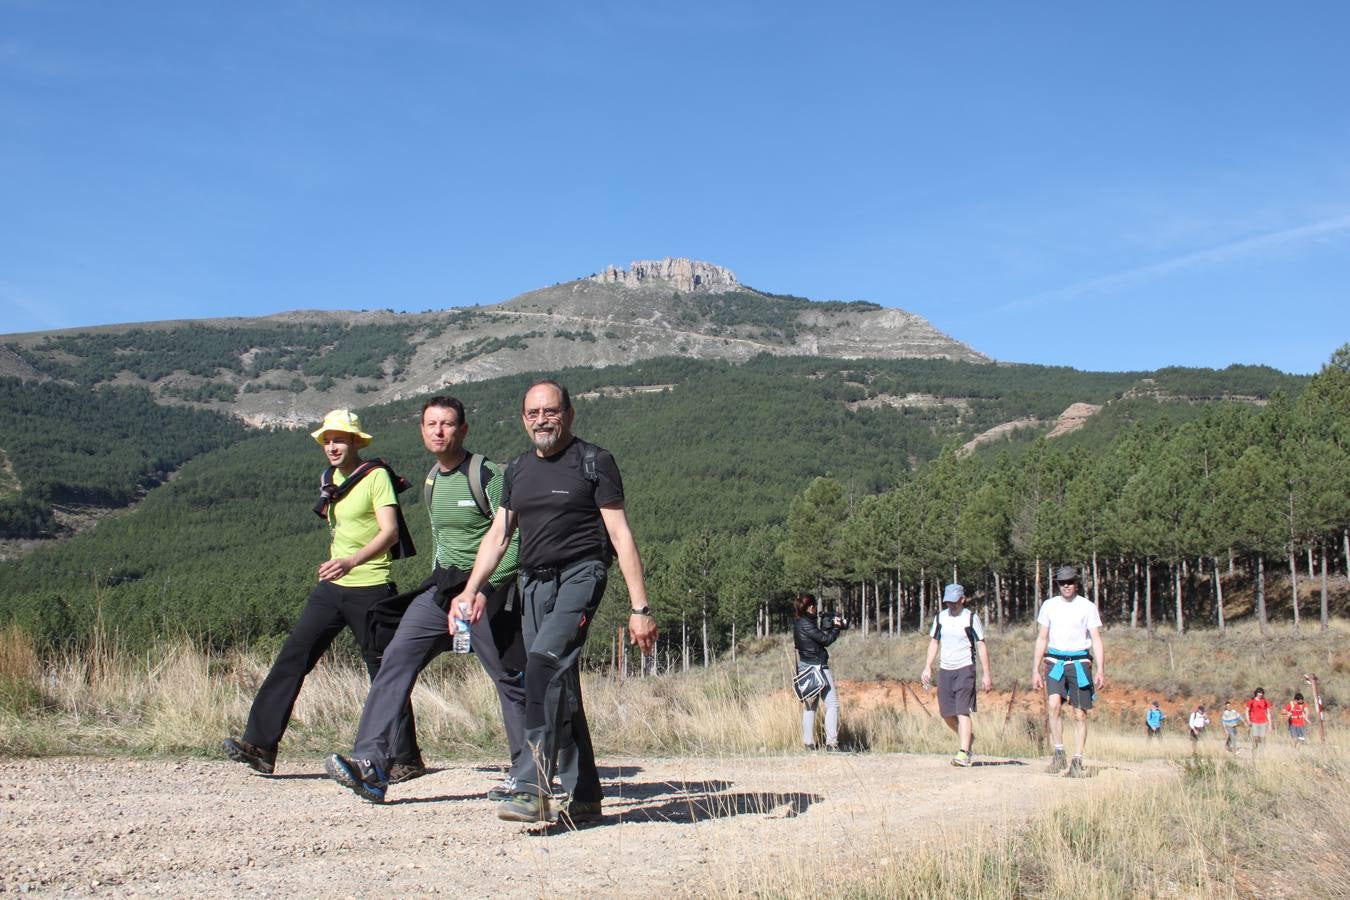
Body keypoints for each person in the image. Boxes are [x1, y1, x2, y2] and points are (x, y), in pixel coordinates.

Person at [447, 379, 658, 824]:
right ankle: (585, 794)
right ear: (524, 419)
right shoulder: (518, 470)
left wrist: (640, 608)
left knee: (543, 664)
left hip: (582, 574)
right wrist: (471, 590)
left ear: (569, 413)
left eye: (550, 411)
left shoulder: (593, 461)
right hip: (533, 584)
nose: (542, 419)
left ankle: (532, 786)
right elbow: (499, 535)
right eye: (533, 413)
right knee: (558, 679)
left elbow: (620, 535)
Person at [325, 396, 526, 803]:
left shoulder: (486, 475)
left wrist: (484, 591)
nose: (439, 431)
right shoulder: (433, 478)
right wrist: (439, 587)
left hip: (485, 592)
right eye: (431, 424)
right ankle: (371, 765)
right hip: (443, 590)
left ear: (463, 430)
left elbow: (514, 540)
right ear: (421, 430)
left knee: (508, 679)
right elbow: (441, 541)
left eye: (448, 424)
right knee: (395, 658)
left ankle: (528, 774)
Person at [223, 409, 421, 778]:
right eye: (327, 440)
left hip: (371, 587)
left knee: (384, 673)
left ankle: (405, 759)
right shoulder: (330, 478)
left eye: (340, 439)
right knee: (293, 656)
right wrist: (340, 565)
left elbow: (390, 532)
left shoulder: (376, 476)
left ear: (356, 443)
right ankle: (261, 745)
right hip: (332, 588)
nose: (332, 446)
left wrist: (350, 561)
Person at [1031, 565, 1105, 778]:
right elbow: (1042, 638)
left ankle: (1077, 760)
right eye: (1062, 583)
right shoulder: (1049, 606)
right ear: (1058, 585)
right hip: (1054, 662)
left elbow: (1097, 639)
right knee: (1053, 705)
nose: (1066, 586)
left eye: (1070, 582)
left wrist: (1101, 669)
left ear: (1076, 583)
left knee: (1079, 713)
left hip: (1079, 662)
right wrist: (1035, 669)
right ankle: (1059, 752)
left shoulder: (1087, 607)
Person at [921, 583, 992, 767]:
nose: (951, 605)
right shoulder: (941, 618)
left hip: (965, 669)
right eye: (947, 602)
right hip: (945, 669)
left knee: (962, 710)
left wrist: (986, 673)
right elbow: (934, 642)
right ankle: (967, 739)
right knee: (946, 713)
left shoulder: (970, 618)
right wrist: (927, 667)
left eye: (954, 602)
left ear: (962, 599)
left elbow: (981, 645)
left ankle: (963, 752)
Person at [793, 593, 843, 751]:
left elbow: (817, 637)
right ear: (810, 607)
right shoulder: (807, 624)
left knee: (810, 706)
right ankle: (831, 743)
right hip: (817, 668)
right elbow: (826, 640)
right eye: (815, 606)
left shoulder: (800, 623)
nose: (816, 609)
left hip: (805, 667)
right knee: (832, 704)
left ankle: (809, 743)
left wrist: (826, 627)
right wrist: (836, 628)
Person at [1244, 687, 1272, 752]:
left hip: (1263, 722)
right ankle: (1254, 750)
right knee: (1255, 737)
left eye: (1262, 693)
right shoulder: (1251, 701)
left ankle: (1261, 752)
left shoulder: (1265, 701)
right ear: (1256, 693)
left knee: (1262, 738)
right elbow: (1247, 711)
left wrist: (1270, 724)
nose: (1260, 694)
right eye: (1259, 692)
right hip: (1254, 722)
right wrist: (1248, 720)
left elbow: (1268, 713)